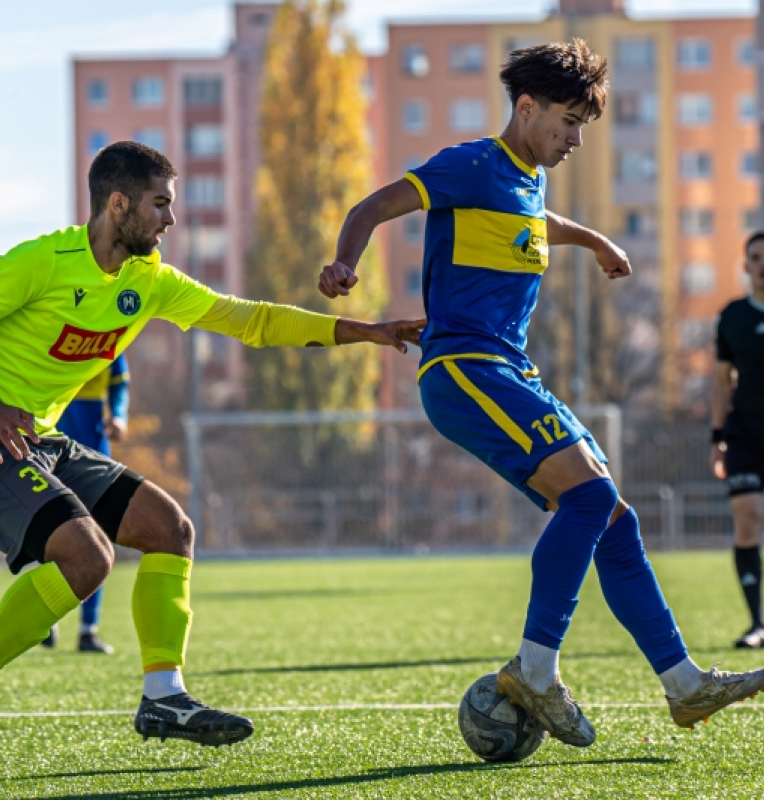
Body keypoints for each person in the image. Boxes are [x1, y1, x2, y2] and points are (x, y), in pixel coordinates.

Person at [318, 38, 764, 748]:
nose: (575, 140)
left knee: (613, 518)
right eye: (567, 123)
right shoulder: (470, 164)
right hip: (464, 367)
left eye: (583, 127)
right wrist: (345, 260)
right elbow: (375, 205)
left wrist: (592, 242)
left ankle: (684, 686)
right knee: (587, 500)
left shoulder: (527, 182)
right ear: (526, 109)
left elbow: (536, 225)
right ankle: (535, 668)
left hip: (509, 372)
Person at [0, 140, 424, 775]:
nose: (170, 221)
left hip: (36, 438)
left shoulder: (147, 282)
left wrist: (362, 332)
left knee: (168, 529)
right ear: (118, 204)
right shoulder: (41, 261)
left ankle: (163, 698)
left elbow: (251, 320)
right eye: (160, 205)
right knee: (87, 556)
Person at [41, 353, 131, 654]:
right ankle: (45, 618)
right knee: (47, 534)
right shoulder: (55, 329)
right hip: (49, 445)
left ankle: (87, 630)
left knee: (97, 538)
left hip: (95, 448)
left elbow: (120, 385)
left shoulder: (114, 336)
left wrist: (118, 416)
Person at [711, 231, 764, 649]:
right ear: (746, 265)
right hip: (744, 433)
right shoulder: (732, 316)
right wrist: (717, 437)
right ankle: (756, 624)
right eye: (756, 257)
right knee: (747, 516)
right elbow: (722, 379)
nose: (762, 264)